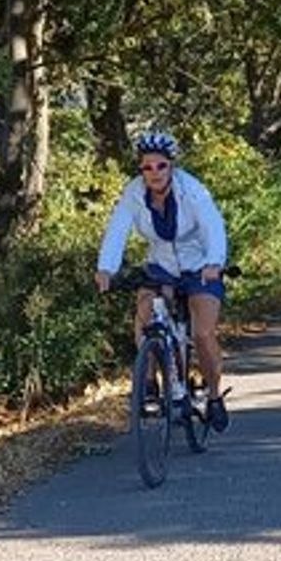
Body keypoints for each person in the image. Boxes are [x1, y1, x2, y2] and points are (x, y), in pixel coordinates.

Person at [94, 131, 231, 432]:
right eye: (147, 167)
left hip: (199, 265)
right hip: (163, 265)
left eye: (161, 166)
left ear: (172, 166)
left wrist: (214, 262)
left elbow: (213, 226)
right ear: (140, 169)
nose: (154, 173)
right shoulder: (134, 193)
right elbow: (117, 229)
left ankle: (214, 395)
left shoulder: (192, 190)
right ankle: (149, 383)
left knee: (203, 333)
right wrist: (106, 268)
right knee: (144, 314)